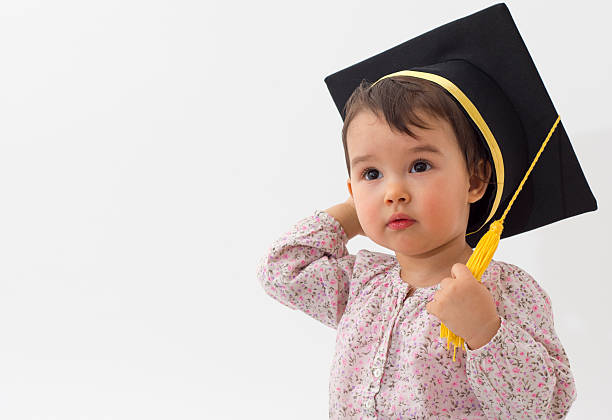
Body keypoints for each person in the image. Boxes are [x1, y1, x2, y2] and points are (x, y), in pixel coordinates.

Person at [257, 3, 595, 419]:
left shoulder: (504, 291)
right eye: (371, 173)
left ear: (474, 182)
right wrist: (352, 210)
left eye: (419, 166)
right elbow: (282, 270)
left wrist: (485, 332)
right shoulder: (360, 286)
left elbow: (546, 407)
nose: (394, 192)